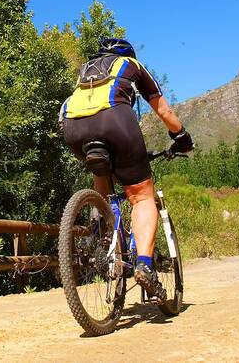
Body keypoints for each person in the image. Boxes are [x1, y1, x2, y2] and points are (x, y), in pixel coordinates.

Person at [60, 38, 193, 300]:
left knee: (102, 177)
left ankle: (100, 238)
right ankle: (144, 265)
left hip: (71, 127)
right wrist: (182, 138)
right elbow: (163, 110)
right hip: (115, 121)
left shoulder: (87, 69)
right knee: (142, 196)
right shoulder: (132, 65)